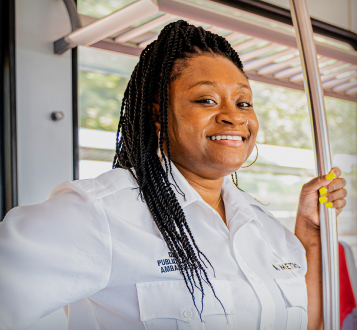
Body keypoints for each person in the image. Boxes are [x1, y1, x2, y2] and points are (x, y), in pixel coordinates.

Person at [0, 20, 347, 330]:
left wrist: (311, 234)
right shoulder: (101, 213)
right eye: (206, 100)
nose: (234, 117)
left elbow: (308, 324)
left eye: (243, 103)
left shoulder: (264, 226)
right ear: (157, 114)